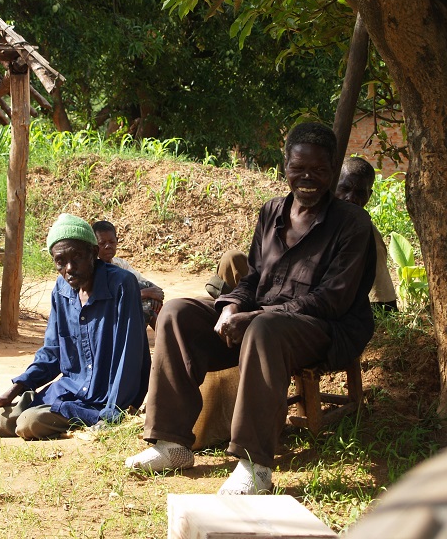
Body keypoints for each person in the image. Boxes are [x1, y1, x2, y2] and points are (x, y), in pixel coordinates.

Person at [125, 122, 376, 496]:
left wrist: (255, 317)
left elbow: (331, 300)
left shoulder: (352, 223)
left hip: (325, 328)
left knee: (264, 328)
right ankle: (171, 444)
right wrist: (230, 308)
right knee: (177, 313)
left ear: (330, 170)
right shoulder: (272, 211)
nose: (307, 178)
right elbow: (252, 278)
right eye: (298, 168)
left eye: (319, 171)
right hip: (264, 320)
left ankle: (254, 465)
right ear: (285, 163)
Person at [0, 213, 151, 440]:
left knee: (29, 424)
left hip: (104, 398)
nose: (69, 268)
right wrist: (19, 387)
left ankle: (72, 419)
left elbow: (129, 357)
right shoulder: (61, 290)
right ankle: (44, 413)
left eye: (77, 257)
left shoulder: (121, 284)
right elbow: (52, 353)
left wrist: (112, 414)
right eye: (60, 261)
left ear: (93, 253)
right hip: (69, 390)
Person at [335, 157, 398, 311]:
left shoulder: (368, 236)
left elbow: (383, 302)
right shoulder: (312, 218)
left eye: (359, 193)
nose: (351, 198)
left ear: (369, 195)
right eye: (345, 189)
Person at [92, 220, 164, 328]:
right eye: (102, 243)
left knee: (149, 300)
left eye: (111, 242)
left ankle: (165, 341)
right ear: (94, 246)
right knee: (146, 307)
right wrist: (146, 294)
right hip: (106, 317)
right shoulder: (92, 269)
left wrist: (155, 295)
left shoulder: (120, 264)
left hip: (122, 309)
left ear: (117, 241)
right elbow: (110, 301)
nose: (108, 246)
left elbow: (144, 283)